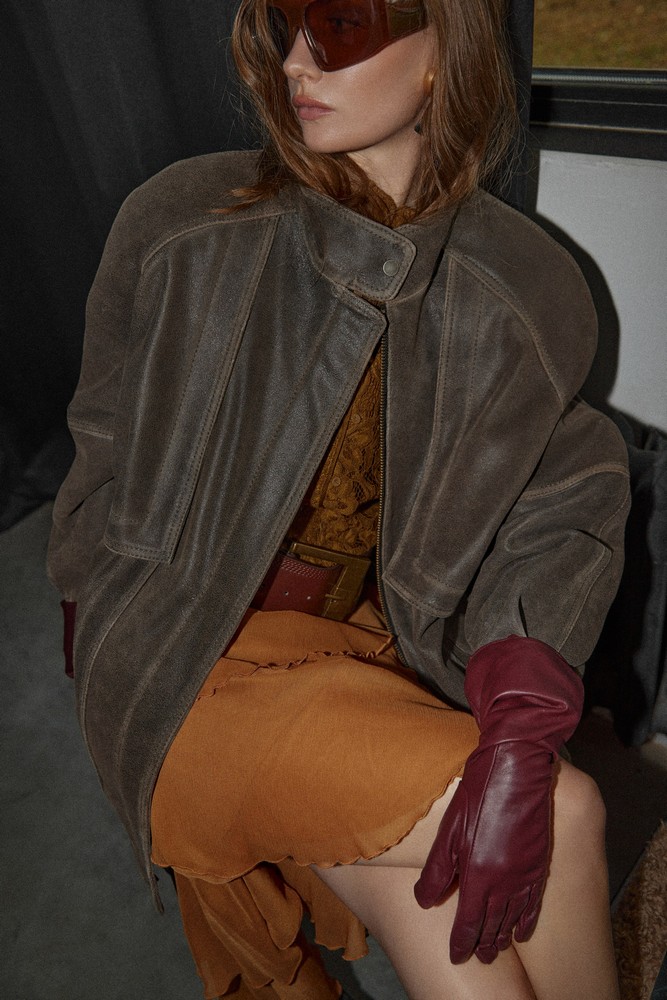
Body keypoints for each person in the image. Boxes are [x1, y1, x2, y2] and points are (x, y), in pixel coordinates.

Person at [48, 1, 631, 997]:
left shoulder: (524, 286)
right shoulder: (185, 222)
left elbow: (563, 500)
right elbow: (98, 444)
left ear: (443, 53)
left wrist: (523, 713)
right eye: (282, 24)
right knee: (563, 811)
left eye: (341, 25)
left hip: (368, 651)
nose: (295, 63)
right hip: (184, 659)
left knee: (454, 926)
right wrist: (92, 613)